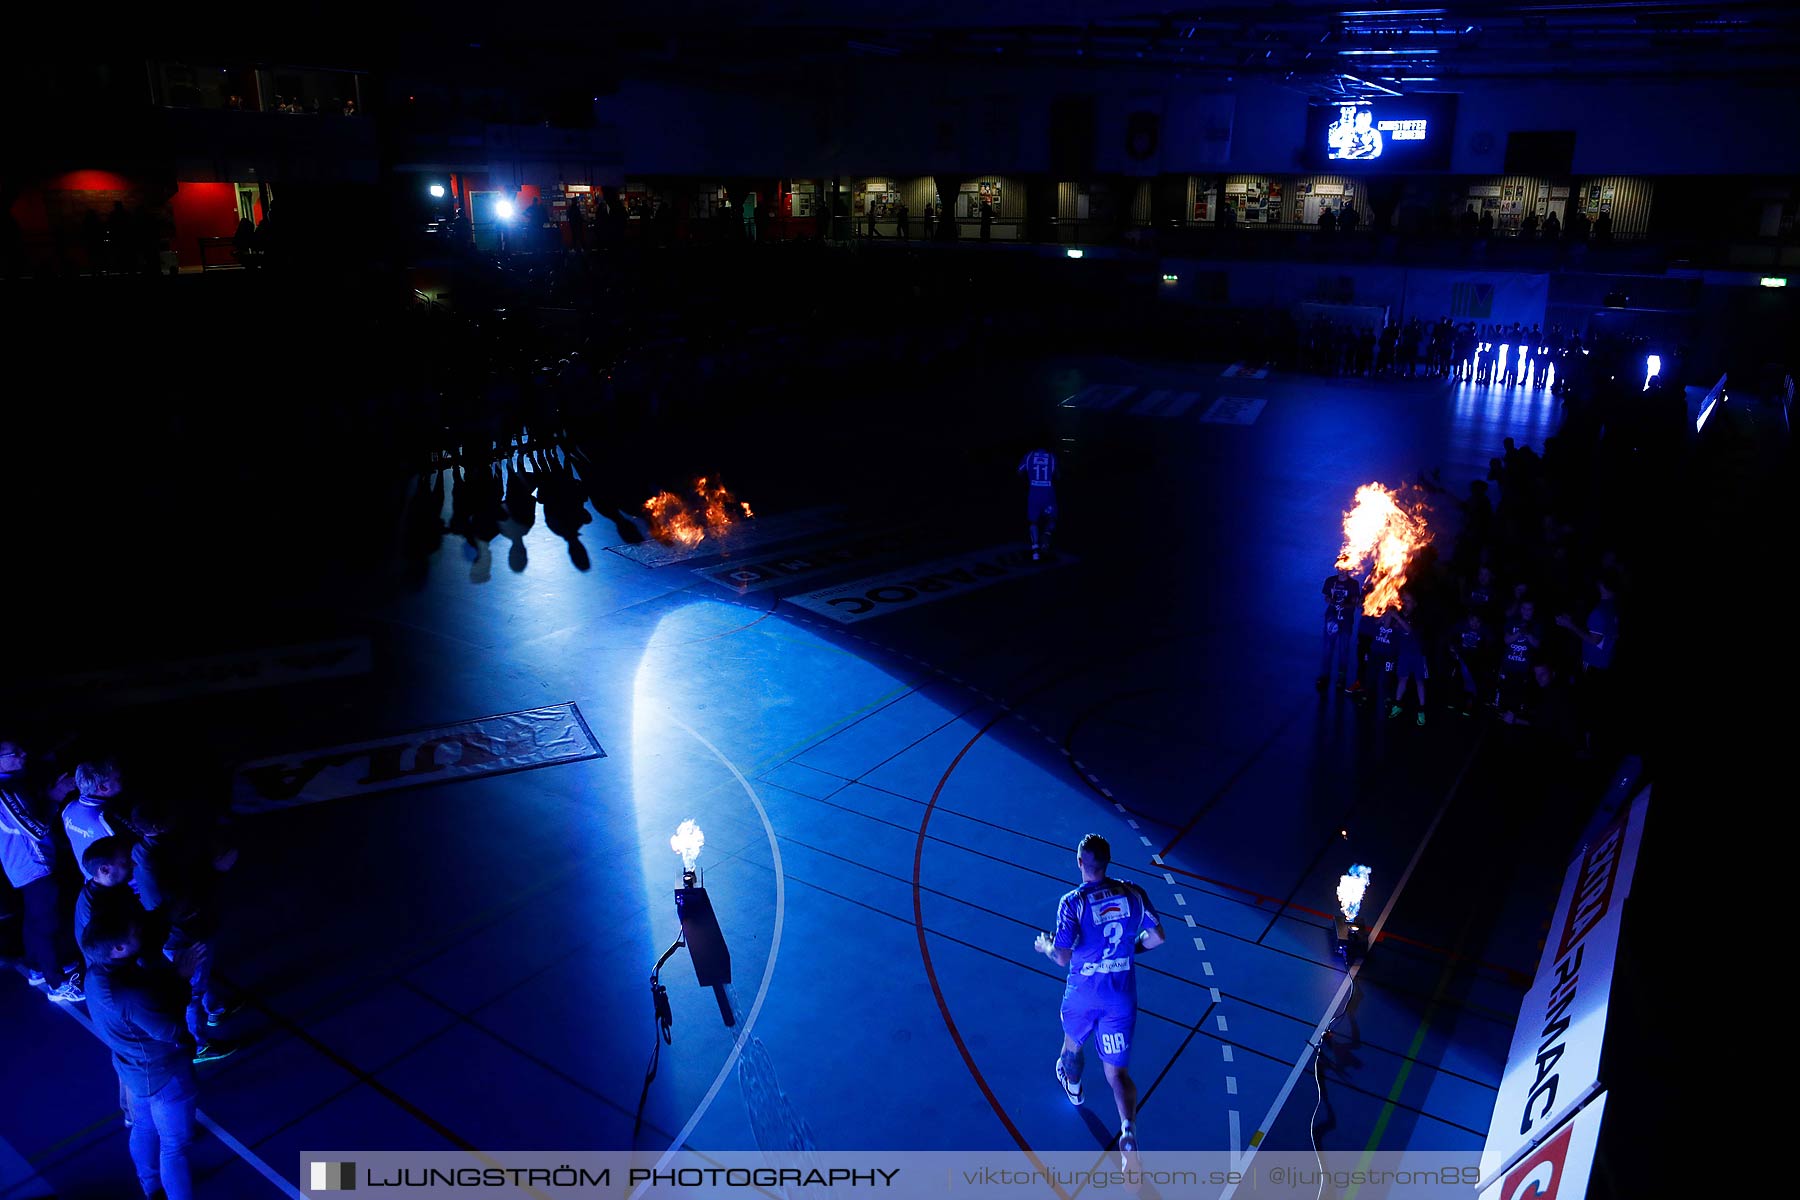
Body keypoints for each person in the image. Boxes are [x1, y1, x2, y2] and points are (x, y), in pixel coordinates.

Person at [1032, 834, 1164, 1169]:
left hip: (1083, 993)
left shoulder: (1073, 902)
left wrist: (1046, 946)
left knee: (1072, 1047)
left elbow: (1062, 957)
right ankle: (1128, 1132)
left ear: (1080, 862)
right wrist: (1128, 951)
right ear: (1108, 862)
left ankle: (1074, 1088)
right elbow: (1158, 937)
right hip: (1120, 997)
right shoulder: (1134, 892)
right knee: (1118, 1073)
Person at [82, 908, 202, 1200]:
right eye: (134, 933)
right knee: (175, 1147)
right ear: (118, 948)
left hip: (131, 1067)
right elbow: (168, 1029)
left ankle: (150, 1186)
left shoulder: (97, 974)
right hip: (163, 1074)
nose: (140, 933)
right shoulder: (129, 992)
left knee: (145, 1126)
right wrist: (182, 978)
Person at [2, 738, 83, 1001]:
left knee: (34, 922)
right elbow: (37, 829)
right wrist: (56, 797)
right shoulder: (4, 791)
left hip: (27, 866)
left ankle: (37, 967)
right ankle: (56, 984)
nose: (24, 754)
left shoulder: (12, 783)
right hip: (34, 866)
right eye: (16, 752)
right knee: (46, 925)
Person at [63, 758, 124, 877]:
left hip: (93, 884)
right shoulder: (106, 819)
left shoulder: (68, 810)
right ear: (103, 788)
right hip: (124, 887)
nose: (122, 780)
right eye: (118, 779)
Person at [1319, 568, 1366, 693]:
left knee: (1343, 650)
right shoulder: (1330, 581)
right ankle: (1324, 676)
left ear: (1349, 569)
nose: (1342, 571)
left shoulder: (1353, 584)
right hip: (1331, 619)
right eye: (1340, 568)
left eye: (1344, 569)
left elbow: (1355, 604)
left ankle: (1341, 677)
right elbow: (1327, 597)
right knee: (1328, 648)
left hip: (1345, 621)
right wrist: (1332, 602)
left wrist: (1343, 605)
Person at [1391, 593, 1429, 725]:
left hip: (1418, 654)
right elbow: (1388, 626)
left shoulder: (1418, 617)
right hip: (1404, 653)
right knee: (1402, 679)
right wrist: (1386, 612)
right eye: (1404, 601)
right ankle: (1397, 705)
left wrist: (1396, 617)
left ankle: (1421, 710)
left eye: (1409, 601)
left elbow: (1409, 629)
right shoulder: (1399, 614)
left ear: (1415, 603)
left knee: (1419, 681)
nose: (1406, 603)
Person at [1017, 446, 1058, 562]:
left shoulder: (1029, 455)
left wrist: (1029, 480)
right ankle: (1046, 536)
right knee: (1052, 519)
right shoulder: (1052, 456)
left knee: (1033, 521)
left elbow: (1019, 471)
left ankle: (1035, 549)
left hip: (1034, 492)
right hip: (1048, 493)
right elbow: (1057, 475)